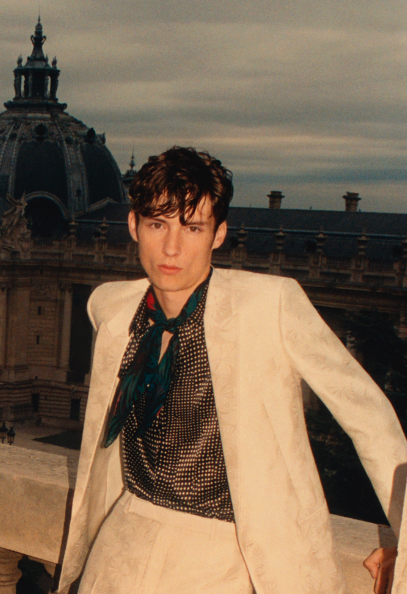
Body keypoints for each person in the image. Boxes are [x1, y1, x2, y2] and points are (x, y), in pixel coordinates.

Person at [57, 146, 407, 594]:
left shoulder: (268, 305)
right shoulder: (113, 308)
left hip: (221, 560)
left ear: (218, 234)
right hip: (121, 546)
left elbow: (371, 420)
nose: (171, 247)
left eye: (192, 227)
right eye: (157, 224)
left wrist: (403, 535)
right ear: (133, 226)